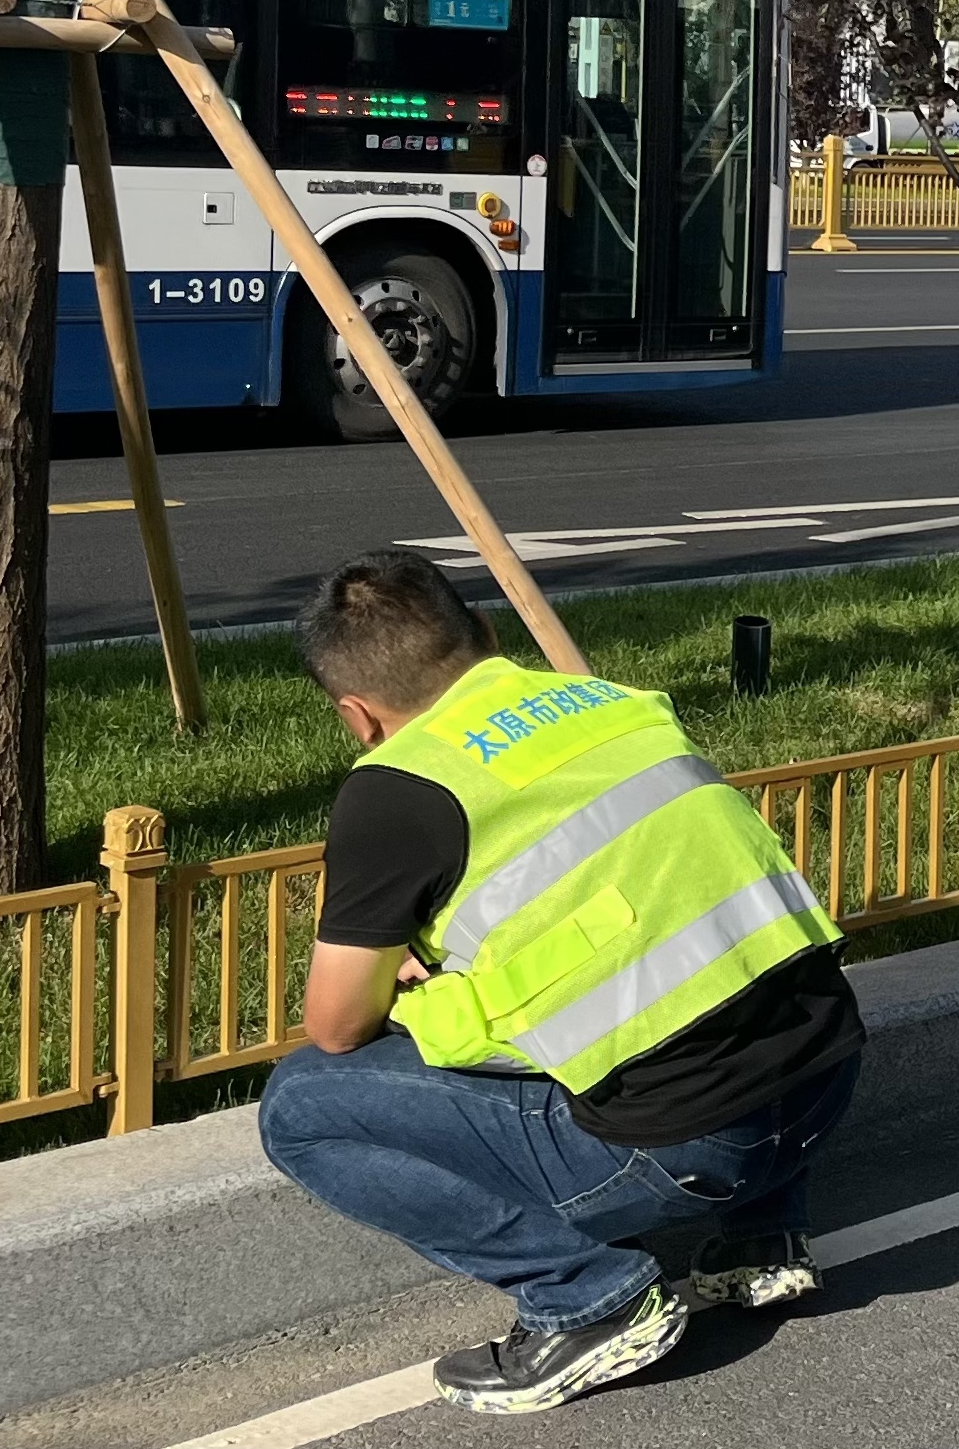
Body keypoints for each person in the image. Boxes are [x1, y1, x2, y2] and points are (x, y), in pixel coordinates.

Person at [258, 550, 863, 1417]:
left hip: (687, 1150)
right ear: (485, 633)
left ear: (356, 715)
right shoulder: (616, 703)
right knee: (705, 990)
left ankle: (585, 1301)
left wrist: (414, 980)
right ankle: (759, 1242)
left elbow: (336, 1024)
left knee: (301, 1104)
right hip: (822, 1086)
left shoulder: (400, 787)